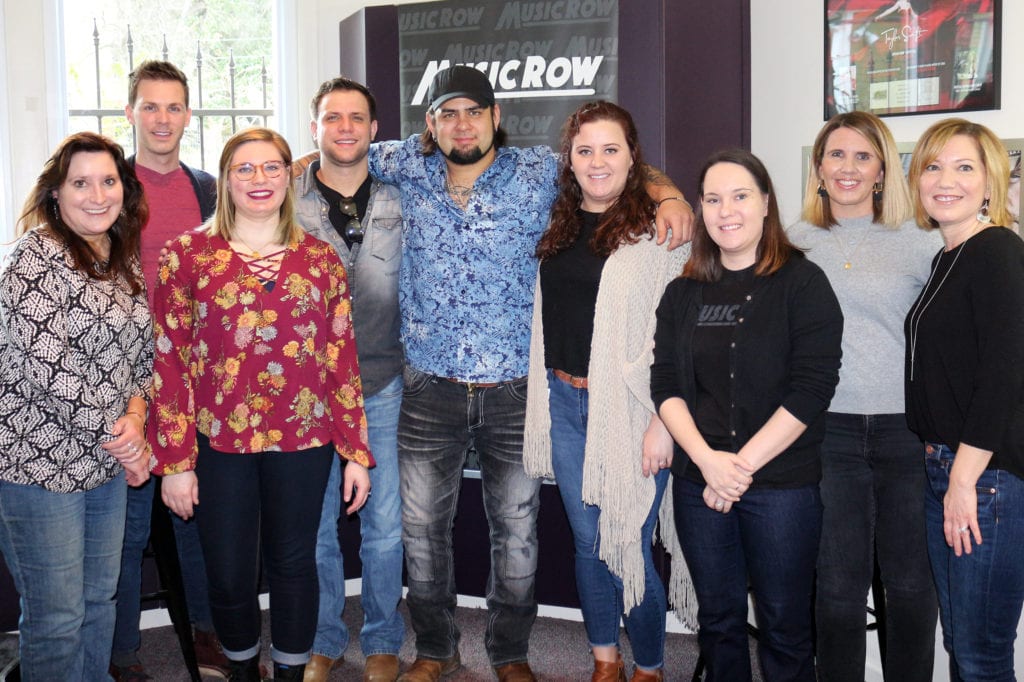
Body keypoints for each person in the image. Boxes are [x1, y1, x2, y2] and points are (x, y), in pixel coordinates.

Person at [367, 65, 692, 682]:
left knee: (517, 534)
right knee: (421, 531)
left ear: (496, 117)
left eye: (475, 112)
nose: (463, 125)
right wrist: (297, 160)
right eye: (448, 114)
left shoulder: (540, 171)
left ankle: (510, 653)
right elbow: (344, 149)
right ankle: (436, 649)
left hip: (518, 389)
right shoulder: (407, 165)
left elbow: (618, 164)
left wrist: (670, 194)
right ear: (430, 125)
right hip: (430, 387)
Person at [149, 127, 373, 681]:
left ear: (287, 178)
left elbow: (340, 358)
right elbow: (169, 360)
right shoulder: (186, 256)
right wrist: (175, 462)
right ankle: (244, 673)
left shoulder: (319, 259)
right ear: (226, 180)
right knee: (229, 574)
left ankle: (291, 674)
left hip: (304, 440)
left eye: (272, 167)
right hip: (218, 443)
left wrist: (355, 452)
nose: (259, 179)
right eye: (245, 168)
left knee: (295, 564)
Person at [651, 149, 843, 681]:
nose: (726, 211)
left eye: (740, 196)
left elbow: (812, 389)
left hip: (781, 486)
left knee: (784, 626)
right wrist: (707, 462)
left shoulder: (803, 283)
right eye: (713, 199)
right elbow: (665, 384)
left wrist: (737, 469)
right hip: (699, 481)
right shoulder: (682, 293)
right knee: (718, 623)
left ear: (765, 203)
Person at [522, 101, 689, 682]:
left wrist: (663, 422)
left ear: (632, 158)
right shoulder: (559, 224)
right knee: (588, 540)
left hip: (633, 412)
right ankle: (604, 661)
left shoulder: (661, 233)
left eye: (611, 149)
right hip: (565, 405)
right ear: (570, 159)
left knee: (627, 539)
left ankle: (650, 666)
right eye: (585, 150)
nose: (597, 162)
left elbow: (678, 340)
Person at [788, 111, 939, 682]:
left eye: (862, 156)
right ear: (818, 168)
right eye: (836, 155)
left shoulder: (921, 240)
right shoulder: (793, 243)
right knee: (837, 586)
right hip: (827, 432)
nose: (847, 167)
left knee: (910, 584)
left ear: (882, 170)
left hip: (907, 432)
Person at [0, 131, 153, 681]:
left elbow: (142, 355)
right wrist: (125, 441)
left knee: (98, 602)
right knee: (58, 618)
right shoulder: (33, 258)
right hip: (40, 466)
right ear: (55, 193)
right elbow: (49, 369)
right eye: (81, 183)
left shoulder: (121, 256)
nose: (97, 195)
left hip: (105, 465)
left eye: (108, 181)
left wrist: (136, 418)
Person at [110, 58, 229, 681]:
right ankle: (122, 652)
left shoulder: (208, 189)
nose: (162, 118)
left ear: (188, 114)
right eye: (150, 106)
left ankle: (209, 637)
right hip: (123, 380)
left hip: (194, 381)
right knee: (126, 531)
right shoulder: (108, 186)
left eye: (174, 106)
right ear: (131, 112)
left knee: (196, 517)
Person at [293, 77, 405, 682]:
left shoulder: (402, 196)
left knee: (384, 524)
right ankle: (324, 640)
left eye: (356, 117)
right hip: (307, 394)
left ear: (373, 129)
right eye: (332, 117)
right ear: (314, 128)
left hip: (383, 382)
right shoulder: (284, 197)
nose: (344, 127)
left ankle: (383, 639)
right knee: (316, 528)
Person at [904, 118, 1024, 682]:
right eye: (933, 166)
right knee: (961, 642)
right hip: (948, 468)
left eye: (964, 167)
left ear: (990, 182)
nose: (945, 180)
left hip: (984, 478)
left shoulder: (998, 251)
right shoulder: (947, 257)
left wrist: (962, 481)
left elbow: (1004, 376)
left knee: (981, 655)